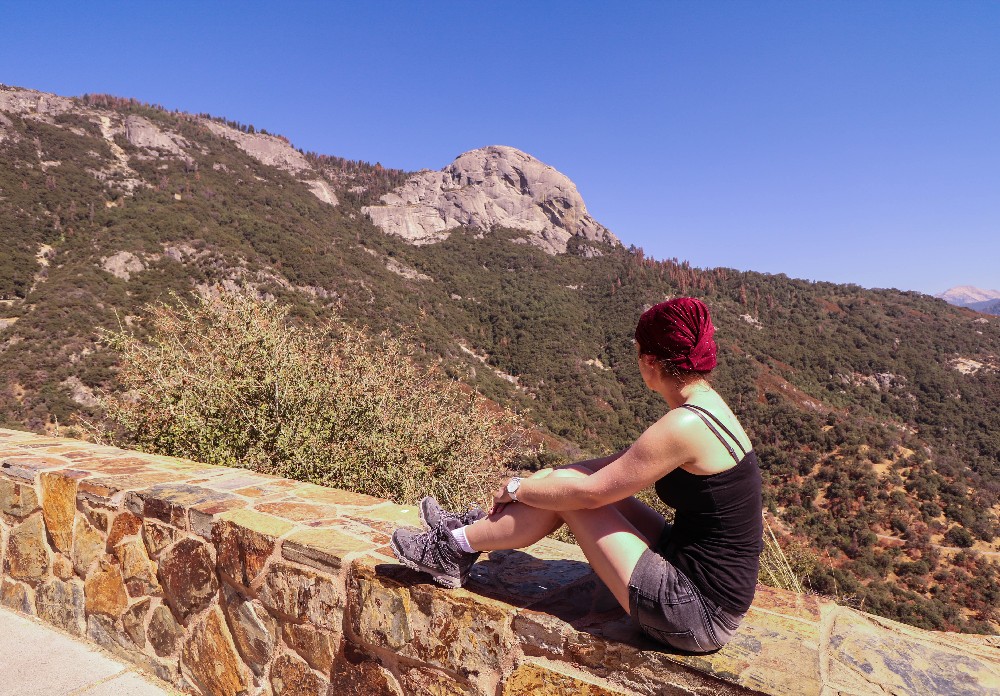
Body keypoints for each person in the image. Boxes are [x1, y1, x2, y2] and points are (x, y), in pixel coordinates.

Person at [391, 297, 763, 653]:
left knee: (572, 491)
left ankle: (454, 548)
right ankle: (470, 531)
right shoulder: (706, 406)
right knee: (567, 477)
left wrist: (519, 487)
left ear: (650, 361)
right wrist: (547, 479)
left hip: (696, 611)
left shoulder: (684, 424)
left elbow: (589, 495)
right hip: (686, 563)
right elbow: (608, 466)